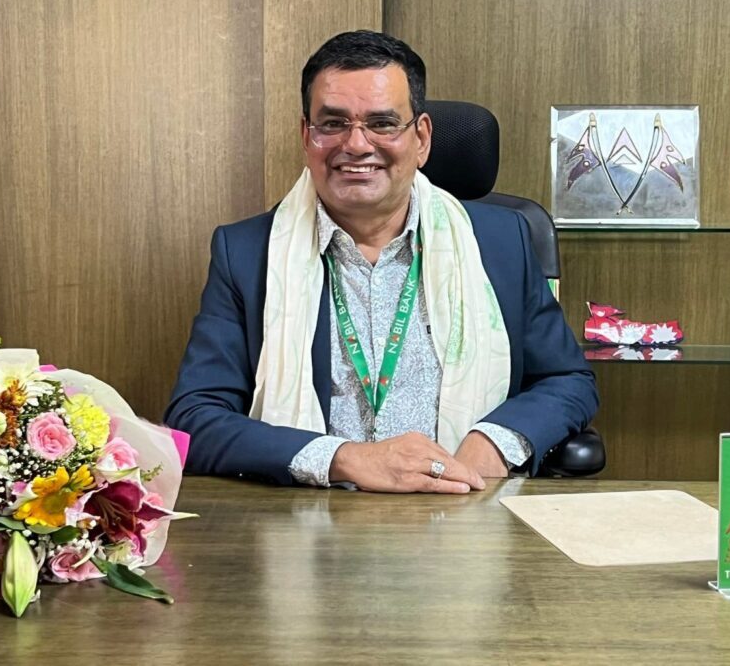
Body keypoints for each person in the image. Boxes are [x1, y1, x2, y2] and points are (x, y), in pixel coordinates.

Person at [165, 30, 598, 493]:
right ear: (306, 136)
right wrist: (344, 459)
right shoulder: (247, 252)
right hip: (309, 515)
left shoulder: (500, 242)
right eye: (333, 123)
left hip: (466, 508)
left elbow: (567, 380)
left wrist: (494, 441)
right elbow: (194, 418)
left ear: (422, 138)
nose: (356, 144)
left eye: (382, 123)